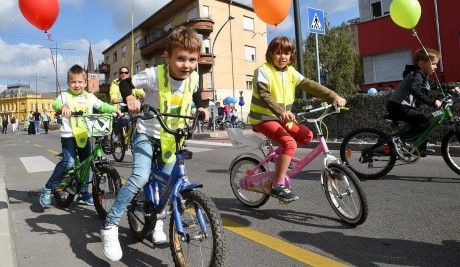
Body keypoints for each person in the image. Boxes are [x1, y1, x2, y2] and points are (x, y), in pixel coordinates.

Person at [100, 26, 209, 262]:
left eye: (192, 59)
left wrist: (201, 107)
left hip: (172, 136)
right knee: (140, 176)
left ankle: (158, 222)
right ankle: (110, 225)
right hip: (146, 133)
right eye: (180, 58)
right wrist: (129, 97)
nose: (187, 65)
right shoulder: (153, 75)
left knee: (168, 186)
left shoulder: (193, 77)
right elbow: (126, 83)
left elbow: (196, 92)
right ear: (168, 57)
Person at [249, 36, 347, 203]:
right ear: (270, 53)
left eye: (286, 53)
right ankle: (277, 185)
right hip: (263, 118)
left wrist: (334, 96)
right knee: (290, 143)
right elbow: (265, 96)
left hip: (281, 117)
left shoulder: (291, 72)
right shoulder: (263, 71)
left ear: (291, 55)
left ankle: (282, 160)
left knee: (306, 136)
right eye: (278, 53)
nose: (283, 57)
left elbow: (311, 85)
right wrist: (281, 112)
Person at [39, 64, 121, 208]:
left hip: (85, 134)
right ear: (68, 83)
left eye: (80, 82)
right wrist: (63, 107)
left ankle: (83, 194)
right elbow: (56, 103)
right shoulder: (65, 95)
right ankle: (48, 188)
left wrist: (115, 109)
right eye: (73, 82)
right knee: (69, 163)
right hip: (69, 135)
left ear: (85, 82)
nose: (77, 85)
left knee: (87, 164)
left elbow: (102, 106)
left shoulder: (89, 96)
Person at [386, 48, 460, 157]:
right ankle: (397, 140)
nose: (436, 67)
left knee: (425, 120)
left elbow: (436, 85)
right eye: (434, 64)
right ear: (421, 63)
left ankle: (420, 148)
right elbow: (414, 89)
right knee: (424, 122)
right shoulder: (417, 74)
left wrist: (452, 88)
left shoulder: (424, 76)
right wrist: (432, 102)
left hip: (403, 106)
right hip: (397, 105)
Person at [109, 66, 145, 135]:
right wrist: (114, 99)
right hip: (120, 106)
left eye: (126, 72)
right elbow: (113, 92)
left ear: (128, 74)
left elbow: (139, 91)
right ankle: (114, 137)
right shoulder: (115, 83)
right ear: (119, 74)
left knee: (138, 120)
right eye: (121, 73)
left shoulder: (132, 82)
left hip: (132, 106)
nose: (124, 74)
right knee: (120, 121)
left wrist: (143, 96)